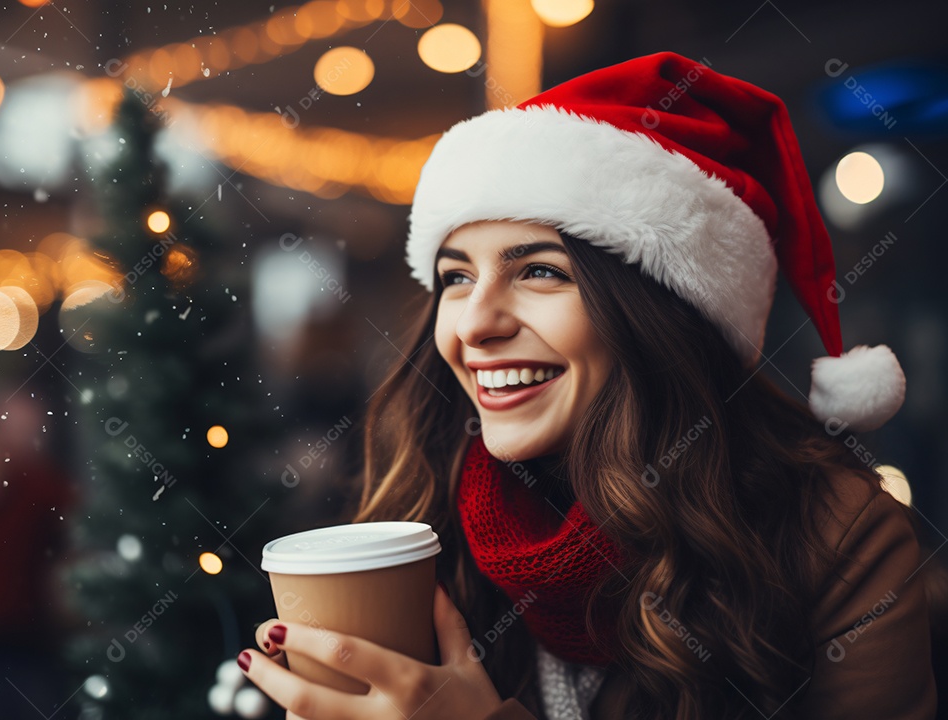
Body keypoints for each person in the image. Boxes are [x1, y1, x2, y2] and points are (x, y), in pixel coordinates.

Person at [237, 52, 936, 719]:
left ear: (657, 311)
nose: (474, 325)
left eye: (540, 271)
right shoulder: (426, 497)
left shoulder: (838, 539)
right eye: (456, 276)